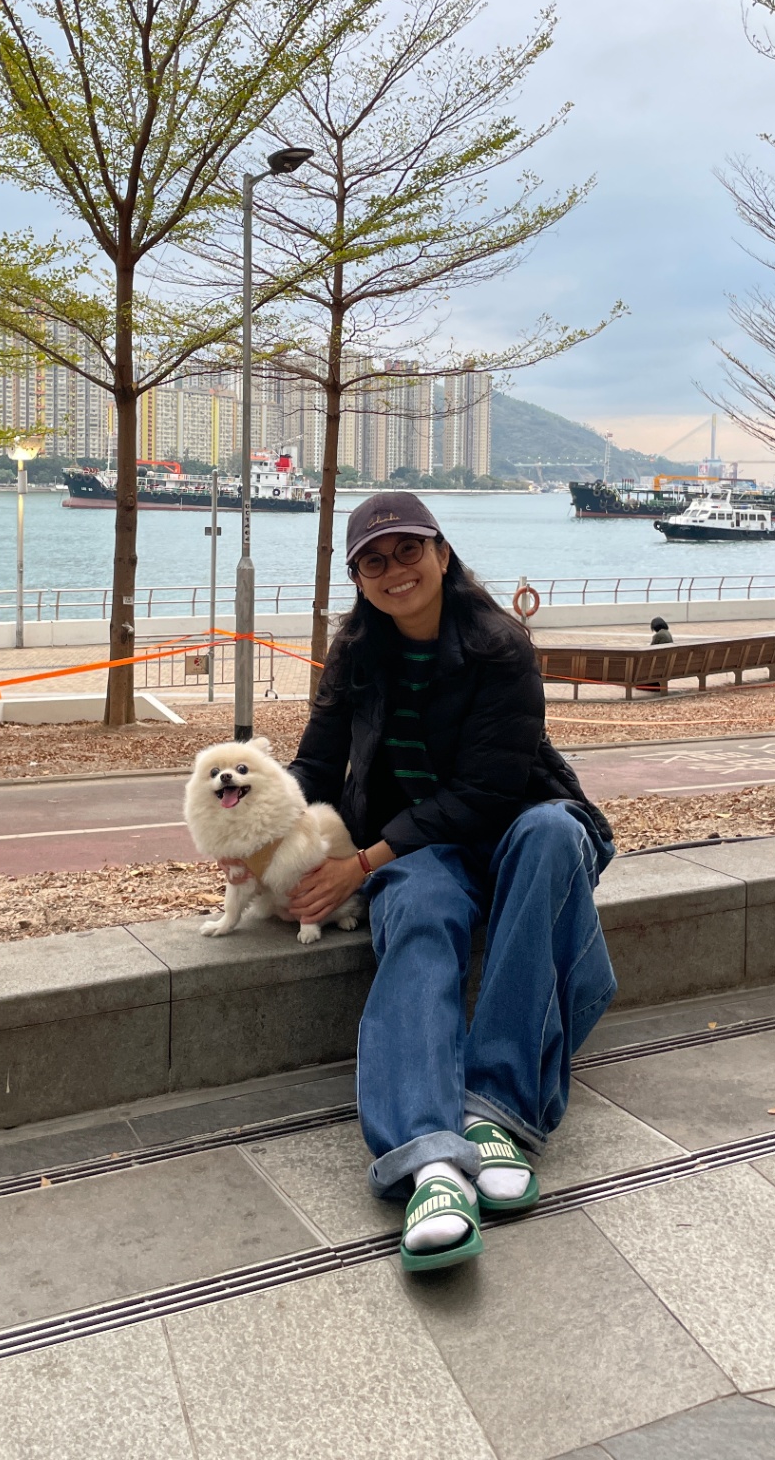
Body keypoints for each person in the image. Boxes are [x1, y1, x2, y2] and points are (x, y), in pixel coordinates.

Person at [283, 493, 616, 1273]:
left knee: (550, 836)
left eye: (407, 551)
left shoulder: (500, 645)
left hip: (517, 825)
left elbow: (492, 789)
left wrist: (360, 864)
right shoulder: (357, 654)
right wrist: (260, 830)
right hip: (418, 848)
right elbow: (315, 763)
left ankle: (495, 1110)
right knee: (422, 903)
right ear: (358, 579)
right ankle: (429, 1157)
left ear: (441, 553)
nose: (394, 571)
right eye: (374, 560)